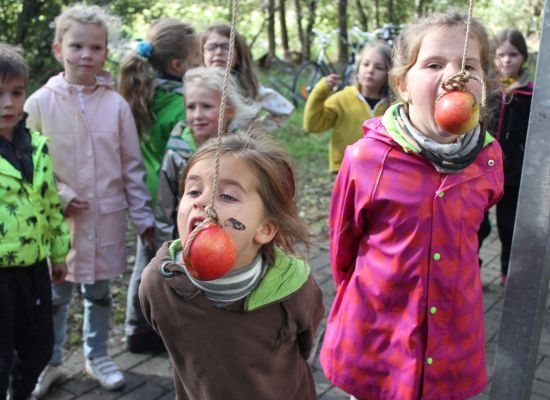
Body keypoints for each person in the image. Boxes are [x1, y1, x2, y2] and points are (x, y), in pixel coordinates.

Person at [320, 11, 504, 400]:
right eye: (434, 64)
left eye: (468, 65)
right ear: (403, 83)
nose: (453, 76)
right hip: (378, 338)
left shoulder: (489, 158)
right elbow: (343, 251)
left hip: (451, 339)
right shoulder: (365, 158)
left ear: (484, 83)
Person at [24, 4, 154, 397]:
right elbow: (24, 161)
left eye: (95, 47)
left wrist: (144, 218)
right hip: (55, 225)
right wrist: (61, 195)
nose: (86, 55)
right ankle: (51, 362)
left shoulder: (116, 105)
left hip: (105, 219)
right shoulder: (39, 103)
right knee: (55, 295)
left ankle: (97, 355)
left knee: (98, 292)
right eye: (76, 45)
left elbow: (132, 166)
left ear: (105, 52)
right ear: (58, 49)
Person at [140, 134, 324, 399]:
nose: (202, 202)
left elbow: (306, 341)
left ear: (265, 228)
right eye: (193, 191)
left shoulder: (293, 288)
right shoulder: (158, 283)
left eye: (227, 196)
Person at [119, 18, 199, 353]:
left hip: (145, 198)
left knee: (145, 262)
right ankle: (159, 327)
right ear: (178, 65)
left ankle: (135, 329)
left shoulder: (145, 93)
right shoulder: (182, 106)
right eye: (197, 57)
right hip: (169, 201)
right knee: (167, 263)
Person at [0, 44, 70, 400]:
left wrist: (58, 255)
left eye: (16, 93)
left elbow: (51, 204)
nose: (8, 104)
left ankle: (20, 392)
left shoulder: (37, 145)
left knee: (39, 349)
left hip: (35, 271)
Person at [154, 66, 259, 249]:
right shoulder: (177, 152)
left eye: (207, 107)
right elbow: (165, 211)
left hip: (234, 244)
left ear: (229, 110)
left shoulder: (245, 152)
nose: (197, 115)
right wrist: (167, 252)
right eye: (191, 107)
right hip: (188, 246)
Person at [480, 28, 533, 286]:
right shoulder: (485, 88)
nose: (507, 60)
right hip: (480, 170)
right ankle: (469, 269)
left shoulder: (532, 93)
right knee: (477, 224)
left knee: (509, 225)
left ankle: (507, 273)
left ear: (523, 57)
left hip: (514, 172)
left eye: (513, 54)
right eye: (501, 55)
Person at [303, 41, 392, 173]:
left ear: (389, 74)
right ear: (357, 68)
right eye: (365, 64)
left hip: (381, 173)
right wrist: (319, 92)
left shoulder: (393, 106)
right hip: (346, 171)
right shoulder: (341, 99)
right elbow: (312, 125)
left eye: (378, 67)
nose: (370, 70)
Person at [202, 22, 294, 132]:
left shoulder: (248, 88)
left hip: (238, 147)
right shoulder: (195, 86)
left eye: (226, 47)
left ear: (238, 56)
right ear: (202, 53)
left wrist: (255, 131)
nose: (218, 52)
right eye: (211, 47)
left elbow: (285, 110)